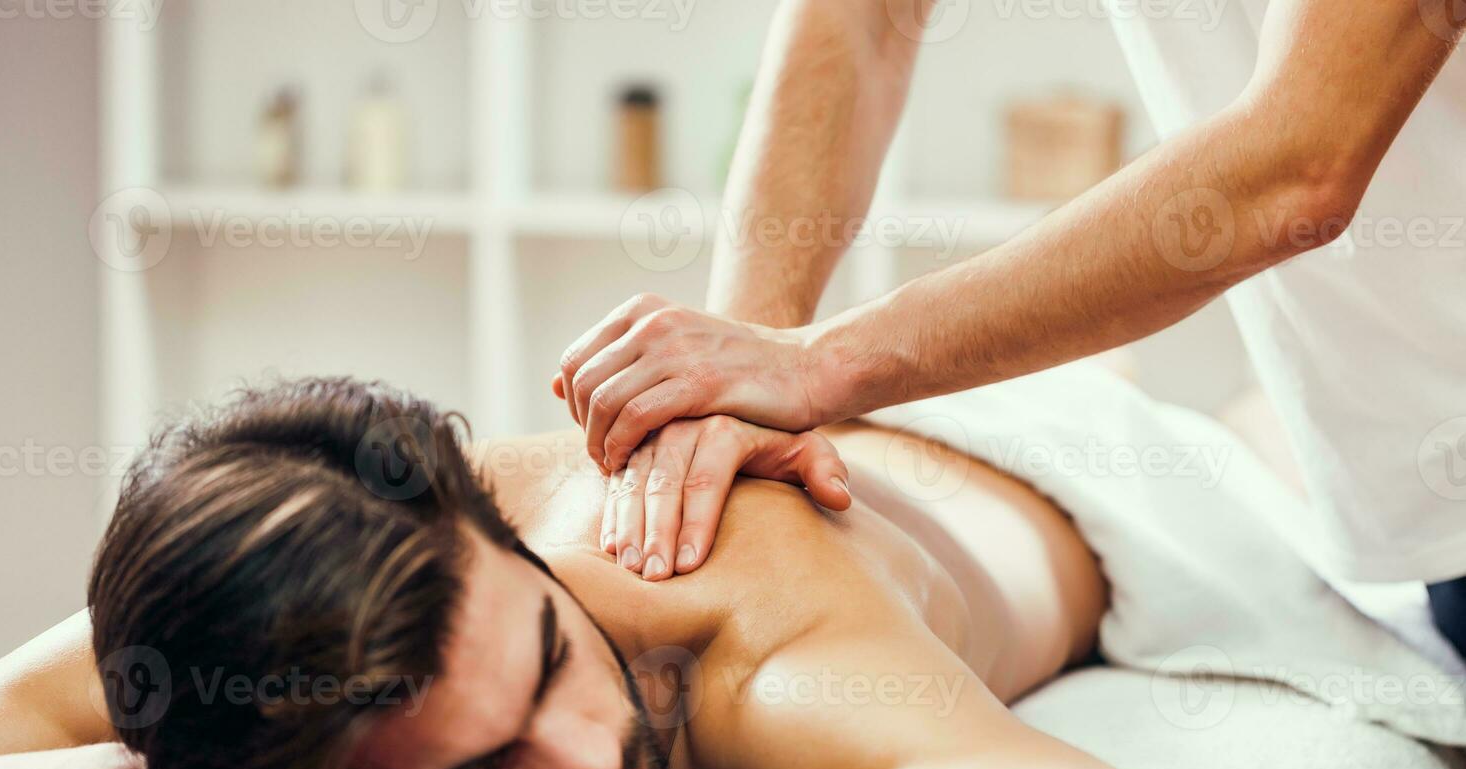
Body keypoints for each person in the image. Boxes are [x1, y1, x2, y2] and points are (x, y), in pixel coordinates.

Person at [0, 377, 1231, 769]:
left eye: (547, 656)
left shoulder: (742, 642)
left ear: (500, 523)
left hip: (1122, 492)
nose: (591, 758)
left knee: (1276, 453)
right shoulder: (256, 631)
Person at [555, 0, 1466, 650]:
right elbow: (861, 20)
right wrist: (739, 375)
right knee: (1220, 444)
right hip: (1421, 486)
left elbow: (1299, 165)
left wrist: (813, 366)